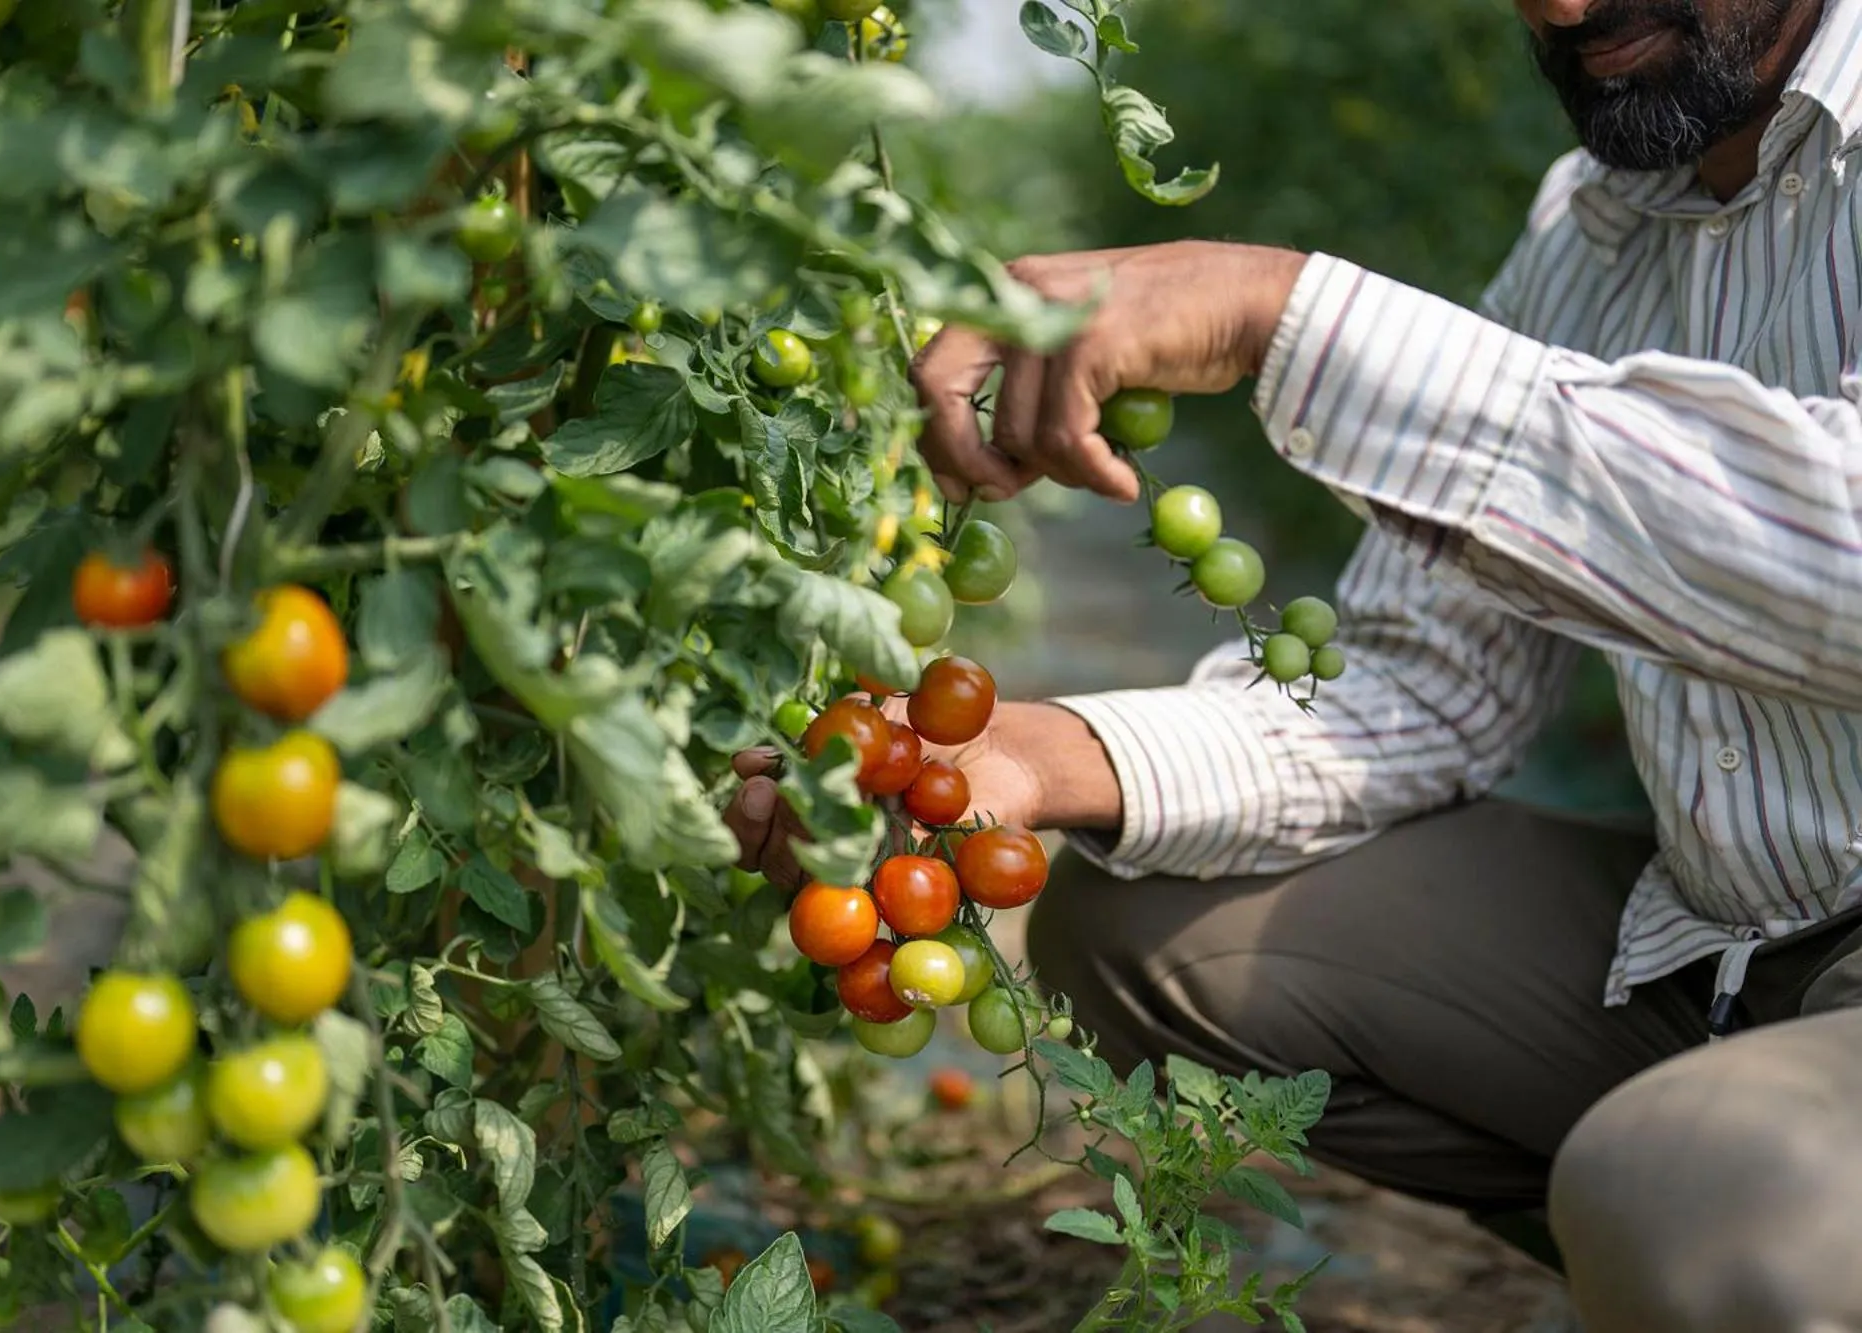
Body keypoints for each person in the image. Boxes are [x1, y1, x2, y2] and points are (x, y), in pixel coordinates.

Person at [727, 0, 1862, 1328]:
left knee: (1697, 1201)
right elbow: (1431, 679)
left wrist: (1289, 319)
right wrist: (1043, 758)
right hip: (1722, 936)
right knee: (1157, 928)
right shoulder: (1600, 219)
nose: (1559, 6)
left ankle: (1715, 1227)